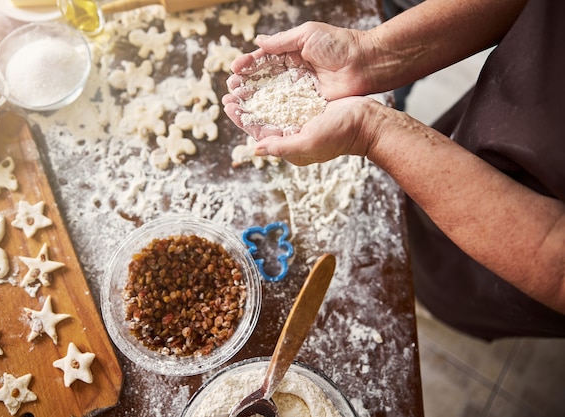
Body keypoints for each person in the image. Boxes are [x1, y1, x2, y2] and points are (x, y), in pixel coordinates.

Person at [222, 0, 565, 340]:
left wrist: (372, 130)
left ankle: (431, 299)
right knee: (419, 227)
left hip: (524, 242)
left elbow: (556, 264)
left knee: (446, 281)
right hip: (513, 111)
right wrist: (366, 54)